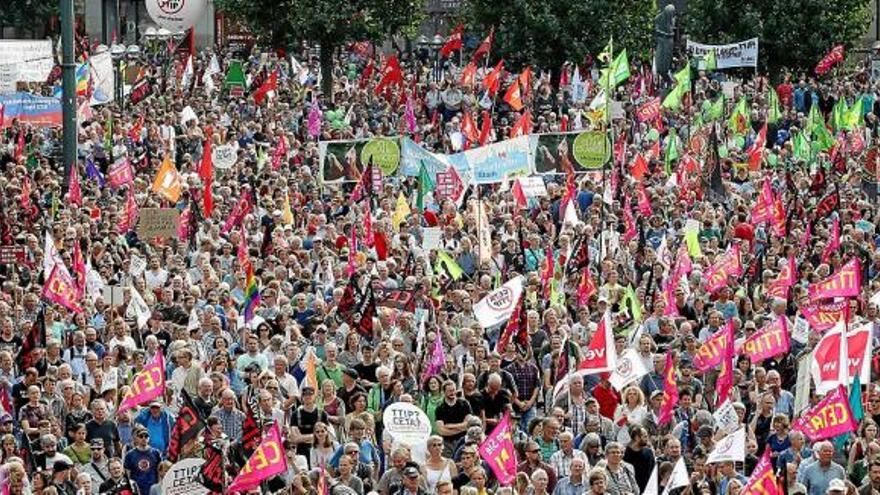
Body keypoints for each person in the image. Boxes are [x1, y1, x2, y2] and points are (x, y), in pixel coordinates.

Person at [123, 426, 162, 495]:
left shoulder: (156, 453)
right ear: (136, 438)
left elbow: (159, 471)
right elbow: (127, 475)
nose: (144, 438)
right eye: (141, 436)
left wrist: (158, 486)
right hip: (137, 489)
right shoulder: (130, 455)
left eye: (146, 436)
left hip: (152, 488)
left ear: (149, 438)